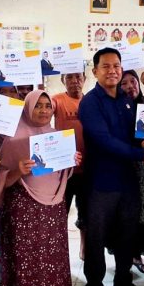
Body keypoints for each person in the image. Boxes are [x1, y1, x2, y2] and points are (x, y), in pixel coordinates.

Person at [78, 48, 144, 286]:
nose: (112, 70)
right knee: (96, 238)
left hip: (127, 180)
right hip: (100, 182)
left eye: (116, 65)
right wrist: (142, 155)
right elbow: (104, 140)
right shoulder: (90, 103)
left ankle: (123, 283)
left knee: (127, 233)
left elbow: (132, 137)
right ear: (95, 71)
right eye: (105, 66)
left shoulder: (126, 101)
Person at [0, 90, 81, 286]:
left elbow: (61, 175)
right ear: (27, 108)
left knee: (52, 256)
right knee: (26, 258)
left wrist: (71, 161)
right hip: (24, 211)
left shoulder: (56, 136)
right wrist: (18, 170)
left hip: (53, 209)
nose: (44, 110)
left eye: (48, 106)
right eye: (38, 106)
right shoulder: (12, 139)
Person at [119, 69, 144, 274]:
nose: (129, 86)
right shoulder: (117, 108)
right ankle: (128, 257)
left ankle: (138, 254)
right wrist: (138, 146)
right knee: (127, 214)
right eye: (124, 83)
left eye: (132, 81)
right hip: (125, 168)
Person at [53, 72, 87, 259]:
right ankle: (58, 251)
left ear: (84, 79)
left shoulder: (90, 102)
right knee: (60, 213)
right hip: (63, 171)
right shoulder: (57, 100)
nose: (74, 81)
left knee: (85, 212)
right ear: (62, 80)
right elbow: (41, 108)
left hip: (87, 169)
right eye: (69, 78)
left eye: (78, 77)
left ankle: (84, 247)